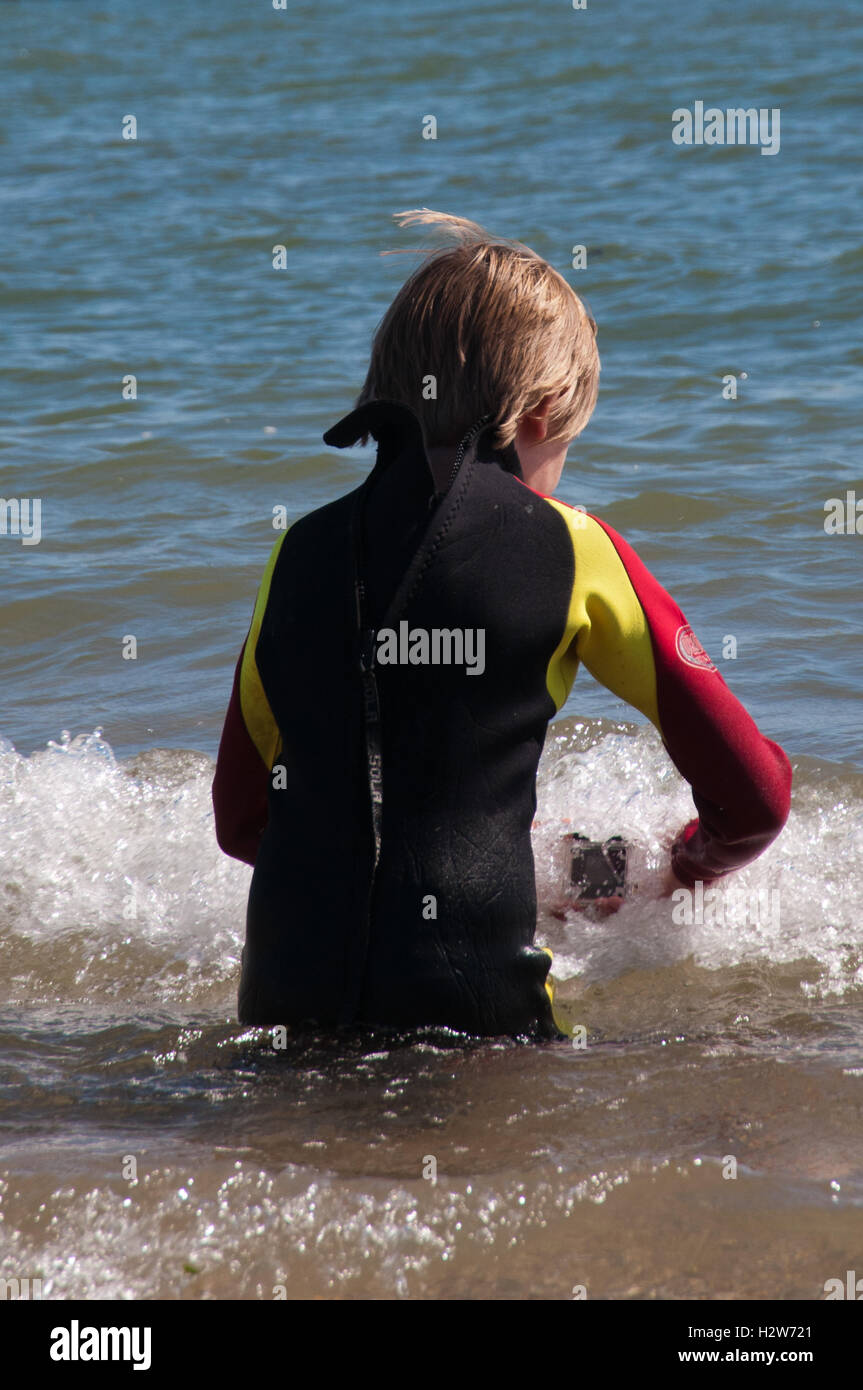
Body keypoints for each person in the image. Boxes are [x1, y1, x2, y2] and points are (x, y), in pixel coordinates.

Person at [212, 209, 792, 1039]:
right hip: (478, 1029)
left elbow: (241, 820)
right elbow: (755, 797)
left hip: (283, 1021)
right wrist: (677, 875)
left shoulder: (297, 553)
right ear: (540, 413)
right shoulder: (572, 546)